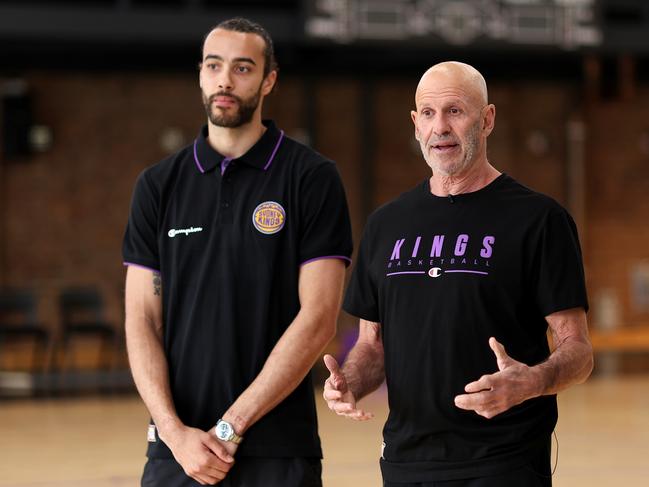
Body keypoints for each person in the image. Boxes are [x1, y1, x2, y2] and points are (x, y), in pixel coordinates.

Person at [322, 61, 593, 487]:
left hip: (504, 462)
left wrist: (532, 381)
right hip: (407, 462)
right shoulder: (385, 225)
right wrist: (349, 381)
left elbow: (578, 350)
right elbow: (373, 346)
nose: (440, 127)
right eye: (428, 113)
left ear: (486, 120)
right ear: (415, 125)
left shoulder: (539, 220)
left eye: (455, 111)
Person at [123, 17, 352, 486]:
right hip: (176, 450)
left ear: (269, 80)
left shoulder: (310, 178)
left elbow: (319, 316)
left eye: (243, 68)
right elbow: (142, 318)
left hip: (277, 450)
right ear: (201, 74)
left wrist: (230, 428)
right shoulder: (158, 186)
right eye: (214, 66)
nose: (226, 79)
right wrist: (172, 432)